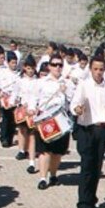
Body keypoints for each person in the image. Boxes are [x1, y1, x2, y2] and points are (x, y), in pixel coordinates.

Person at [70, 54, 105, 208]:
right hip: (87, 129)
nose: (98, 72)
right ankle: (83, 205)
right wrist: (77, 109)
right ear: (90, 69)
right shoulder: (84, 85)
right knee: (86, 168)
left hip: (102, 129)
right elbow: (74, 103)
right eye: (95, 69)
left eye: (101, 69)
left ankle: (91, 201)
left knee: (96, 168)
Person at [32, 52, 73, 190]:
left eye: (60, 65)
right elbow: (34, 99)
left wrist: (66, 91)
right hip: (46, 119)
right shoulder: (41, 82)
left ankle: (53, 174)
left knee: (57, 152)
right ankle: (43, 178)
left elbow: (72, 101)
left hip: (61, 119)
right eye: (54, 65)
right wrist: (32, 110)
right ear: (49, 66)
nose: (57, 67)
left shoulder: (67, 83)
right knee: (45, 150)